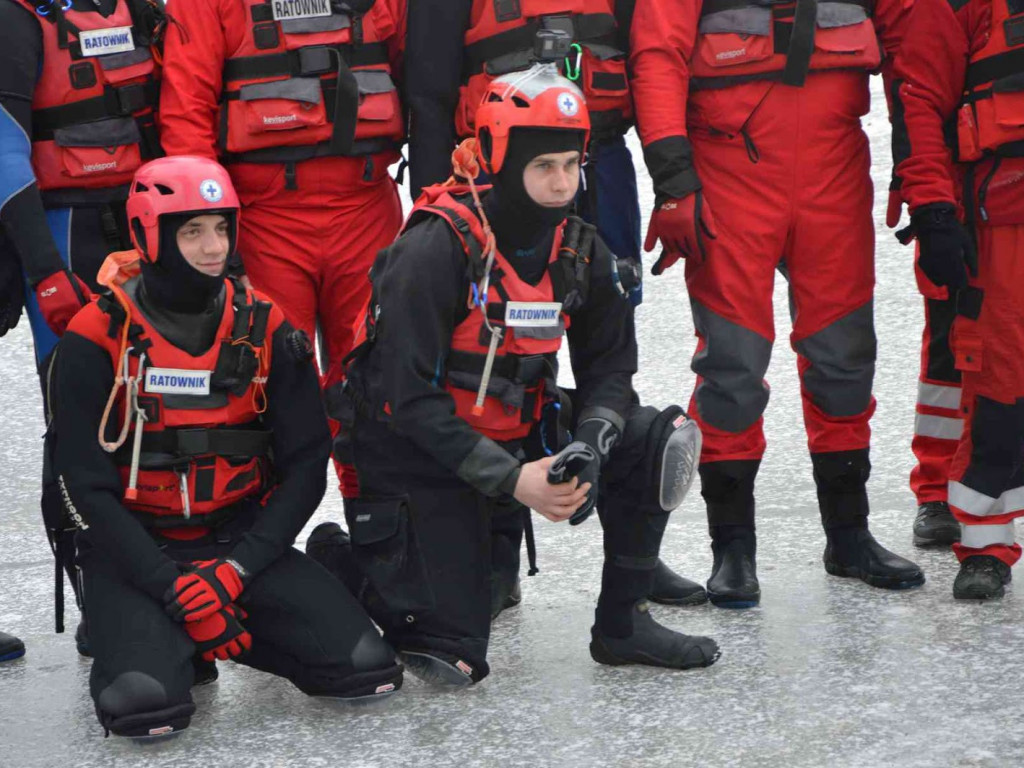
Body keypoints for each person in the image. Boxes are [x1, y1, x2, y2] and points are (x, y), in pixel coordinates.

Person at [308, 66, 720, 686]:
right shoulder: (434, 247)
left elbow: (611, 368)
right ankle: (343, 563)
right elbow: (406, 400)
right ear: (499, 158)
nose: (560, 184)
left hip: (513, 427)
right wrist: (513, 480)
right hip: (417, 452)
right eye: (542, 167)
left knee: (654, 436)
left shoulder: (578, 247)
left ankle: (622, 622)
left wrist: (592, 439)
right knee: (455, 653)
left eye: (569, 164)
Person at [53, 156, 402, 738]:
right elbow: (83, 487)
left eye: (221, 227)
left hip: (238, 546)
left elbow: (306, 466)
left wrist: (234, 573)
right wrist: (173, 587)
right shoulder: (96, 337)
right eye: (192, 230)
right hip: (137, 556)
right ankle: (165, 636)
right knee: (144, 710)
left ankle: (213, 620)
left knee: (368, 671)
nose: (213, 247)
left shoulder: (267, 328)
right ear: (147, 233)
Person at [401, 0, 708, 611]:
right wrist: (442, 208)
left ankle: (632, 552)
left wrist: (672, 180)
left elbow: (649, 58)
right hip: (497, 167)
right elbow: (429, 91)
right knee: (481, 358)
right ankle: (493, 546)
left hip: (596, 159)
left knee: (608, 353)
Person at [628, 0, 926, 607]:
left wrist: (917, 164)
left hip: (835, 168)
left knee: (845, 355)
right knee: (732, 366)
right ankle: (732, 550)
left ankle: (849, 536)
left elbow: (915, 50)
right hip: (728, 172)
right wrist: (673, 179)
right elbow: (656, 54)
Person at [0, 0, 166, 652]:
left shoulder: (140, 8)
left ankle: (157, 574)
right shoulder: (15, 18)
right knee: (77, 421)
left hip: (142, 228)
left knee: (155, 410)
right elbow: (6, 143)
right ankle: (98, 592)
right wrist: (42, 266)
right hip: (63, 236)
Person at [158, 0, 407, 372]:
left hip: (367, 207)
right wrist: (213, 228)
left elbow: (424, 82)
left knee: (375, 366)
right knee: (275, 369)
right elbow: (186, 112)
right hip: (264, 220)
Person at [892, 0, 1024, 599]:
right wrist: (934, 207)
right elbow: (920, 103)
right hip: (1001, 219)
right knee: (997, 381)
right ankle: (986, 546)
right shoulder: (955, 8)